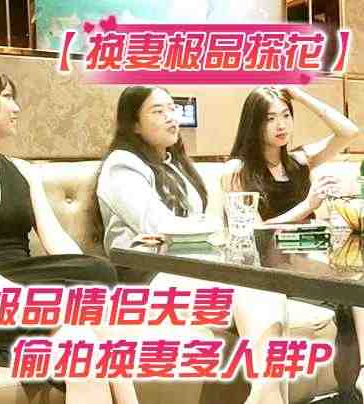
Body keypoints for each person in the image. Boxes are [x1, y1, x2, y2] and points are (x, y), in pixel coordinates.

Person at [0, 63, 148, 404]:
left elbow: (58, 242)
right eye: (7, 97)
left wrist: (84, 287)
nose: (16, 107)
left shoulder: (24, 172)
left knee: (84, 333)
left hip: (30, 285)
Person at [96, 86, 288, 404]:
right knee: (258, 290)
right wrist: (215, 219)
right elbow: (159, 226)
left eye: (172, 109)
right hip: (148, 278)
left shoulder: (175, 163)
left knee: (267, 289)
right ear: (134, 125)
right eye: (158, 111)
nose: (171, 117)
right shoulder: (122, 164)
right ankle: (266, 396)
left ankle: (264, 395)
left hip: (193, 271)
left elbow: (202, 224)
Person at [223, 86, 364, 399]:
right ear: (253, 123)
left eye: (286, 116)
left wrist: (299, 95)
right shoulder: (238, 170)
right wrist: (307, 206)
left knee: (357, 272)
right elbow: (251, 231)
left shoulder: (300, 160)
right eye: (270, 118)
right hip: (270, 266)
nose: (281, 125)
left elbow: (349, 131)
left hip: (311, 257)